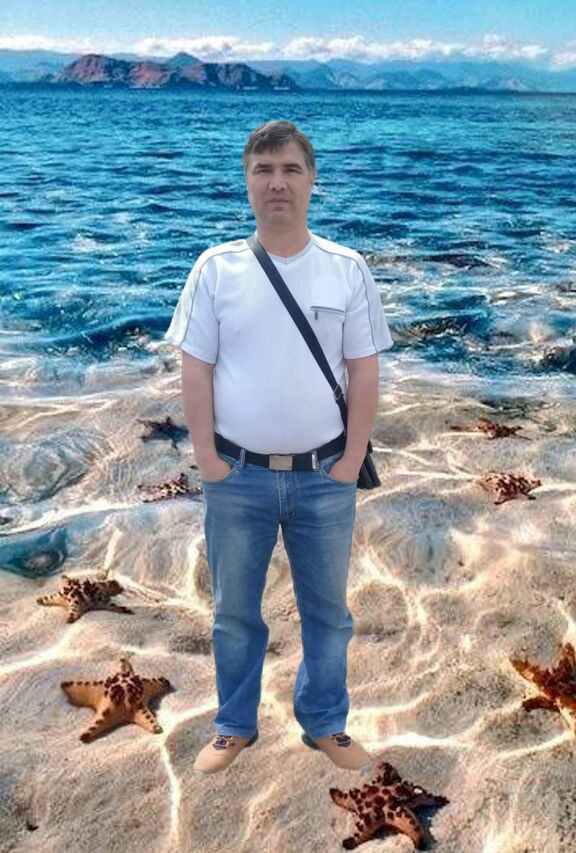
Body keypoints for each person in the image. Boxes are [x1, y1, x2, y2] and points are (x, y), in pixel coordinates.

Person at [163, 119, 394, 775]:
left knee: (329, 612)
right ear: (247, 182)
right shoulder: (215, 270)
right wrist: (208, 460)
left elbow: (364, 371)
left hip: (326, 475)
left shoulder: (346, 269)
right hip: (237, 475)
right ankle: (234, 725)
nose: (277, 183)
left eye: (291, 169)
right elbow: (196, 370)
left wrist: (352, 460)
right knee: (235, 614)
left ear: (312, 179)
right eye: (263, 170)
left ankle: (325, 722)